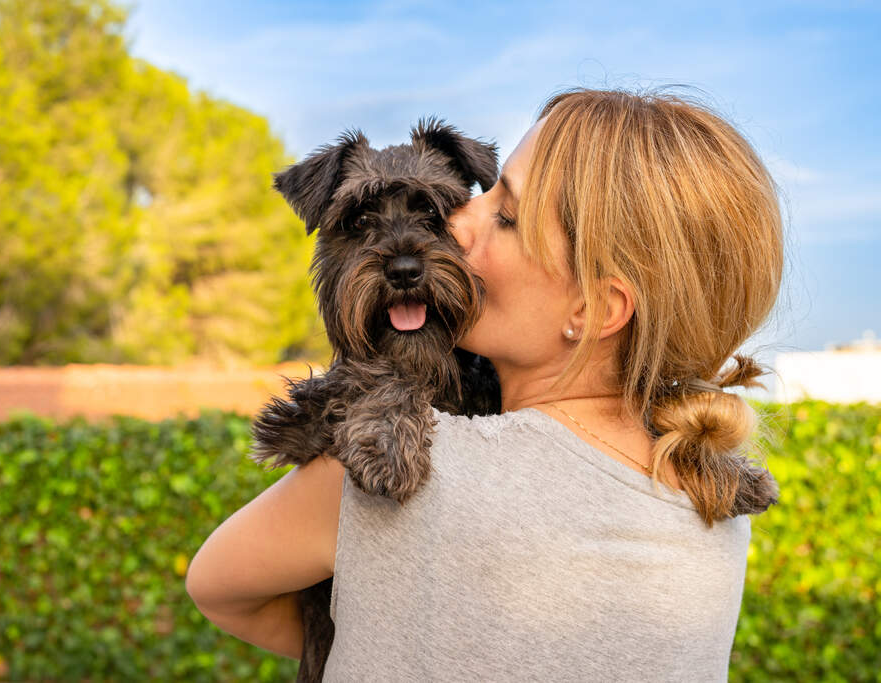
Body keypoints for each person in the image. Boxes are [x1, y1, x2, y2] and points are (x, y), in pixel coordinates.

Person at [185, 87, 784, 681]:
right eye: (483, 195)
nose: (460, 225)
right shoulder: (710, 502)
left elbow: (216, 585)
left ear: (596, 309)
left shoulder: (367, 482)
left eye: (506, 216)